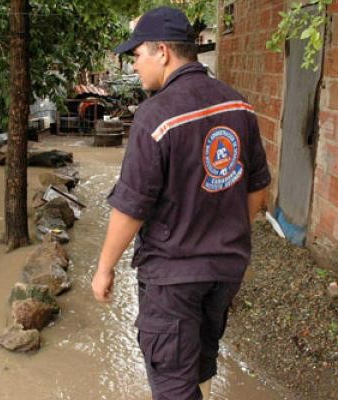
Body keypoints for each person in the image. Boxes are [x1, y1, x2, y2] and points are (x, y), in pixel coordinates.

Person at [91, 7, 270, 400]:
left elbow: (132, 206)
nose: (135, 65)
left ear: (163, 53)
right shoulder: (238, 105)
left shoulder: (154, 116)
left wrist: (104, 268)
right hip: (225, 269)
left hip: (173, 278)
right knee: (202, 360)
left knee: (172, 380)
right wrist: (226, 234)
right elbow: (257, 189)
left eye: (137, 54)